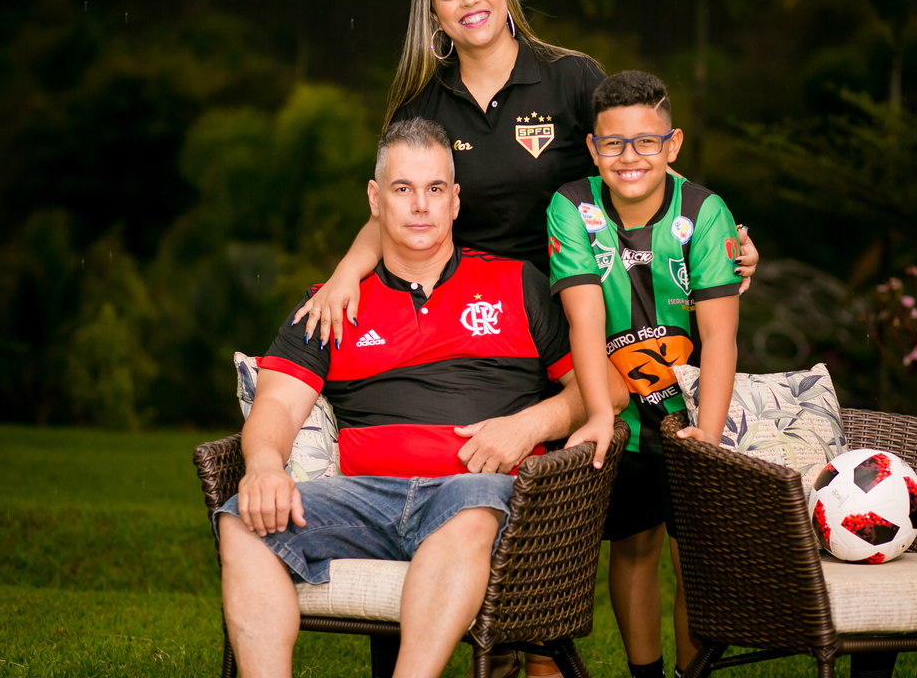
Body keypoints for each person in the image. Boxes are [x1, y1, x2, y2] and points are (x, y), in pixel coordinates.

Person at [217, 117, 626, 678]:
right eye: (402, 188)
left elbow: (609, 387)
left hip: (477, 492)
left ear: (455, 201)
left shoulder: (517, 284)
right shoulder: (331, 305)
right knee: (241, 520)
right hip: (366, 500)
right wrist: (264, 465)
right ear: (375, 199)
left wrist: (529, 425)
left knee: (469, 510)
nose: (420, 206)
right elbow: (278, 406)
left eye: (435, 189)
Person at [294, 0, 759, 352]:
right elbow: (393, 211)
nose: (469, 0)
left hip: (587, 298)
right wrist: (343, 276)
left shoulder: (571, 76)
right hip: (476, 314)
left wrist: (719, 233)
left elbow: (642, 163)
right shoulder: (421, 107)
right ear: (434, 15)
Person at [550, 71, 741, 678]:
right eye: (613, 143)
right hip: (623, 412)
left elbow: (720, 335)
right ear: (592, 148)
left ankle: (691, 675)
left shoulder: (704, 211)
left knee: (694, 561)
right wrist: (599, 415)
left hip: (690, 413)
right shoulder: (572, 206)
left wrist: (710, 433)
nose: (629, 157)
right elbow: (583, 320)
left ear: (672, 144)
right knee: (634, 546)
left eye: (646, 141)